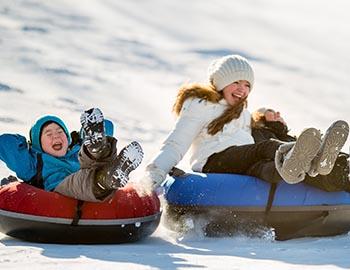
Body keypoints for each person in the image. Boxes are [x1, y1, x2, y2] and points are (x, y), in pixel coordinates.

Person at [142, 54, 349, 192]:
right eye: (237, 82)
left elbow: (254, 130)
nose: (242, 89)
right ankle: (311, 159)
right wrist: (154, 175)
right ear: (222, 82)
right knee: (265, 148)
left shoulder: (242, 113)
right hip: (215, 160)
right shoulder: (201, 105)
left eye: (247, 85)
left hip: (242, 159)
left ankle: (325, 166)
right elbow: (176, 143)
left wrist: (269, 121)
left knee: (265, 168)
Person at [0, 108, 144, 202]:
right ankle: (109, 177)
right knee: (81, 180)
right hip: (61, 186)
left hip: (89, 169)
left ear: (68, 138)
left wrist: (84, 136)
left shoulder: (75, 150)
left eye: (60, 132)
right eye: (48, 134)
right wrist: (27, 145)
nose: (56, 136)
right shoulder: (33, 162)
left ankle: (97, 146)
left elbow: (108, 125)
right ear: (38, 144)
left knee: (91, 156)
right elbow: (4, 143)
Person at [251, 107, 350, 192]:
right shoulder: (261, 132)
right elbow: (265, 151)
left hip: (318, 170)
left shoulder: (290, 137)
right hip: (285, 166)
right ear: (259, 117)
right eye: (270, 111)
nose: (278, 113)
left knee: (321, 153)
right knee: (303, 160)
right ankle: (331, 170)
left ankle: (339, 163)